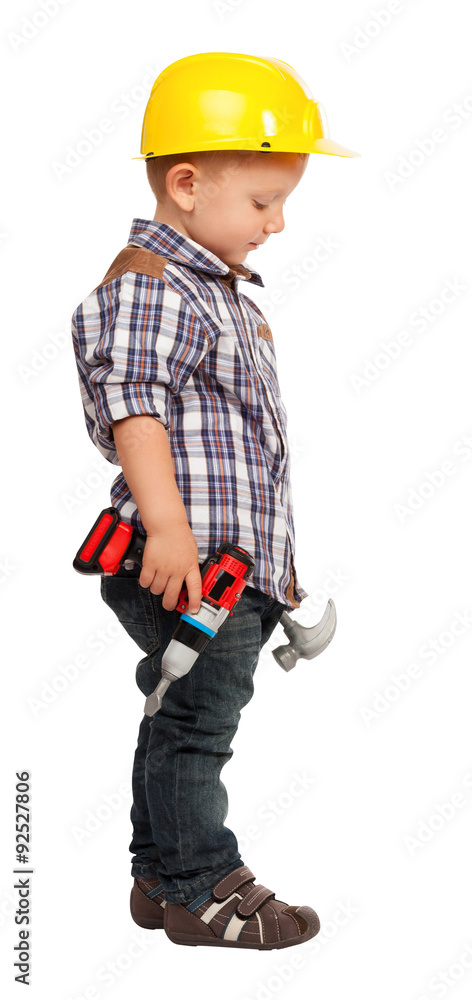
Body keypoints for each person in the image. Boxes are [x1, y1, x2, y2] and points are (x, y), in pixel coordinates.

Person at [71, 52, 359, 950]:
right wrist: (165, 528)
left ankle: (160, 877)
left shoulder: (219, 293)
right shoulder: (149, 286)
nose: (278, 223)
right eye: (264, 202)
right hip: (185, 566)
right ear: (187, 185)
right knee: (198, 723)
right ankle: (206, 884)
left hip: (229, 571)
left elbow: (245, 455)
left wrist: (280, 577)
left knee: (176, 709)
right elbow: (136, 409)